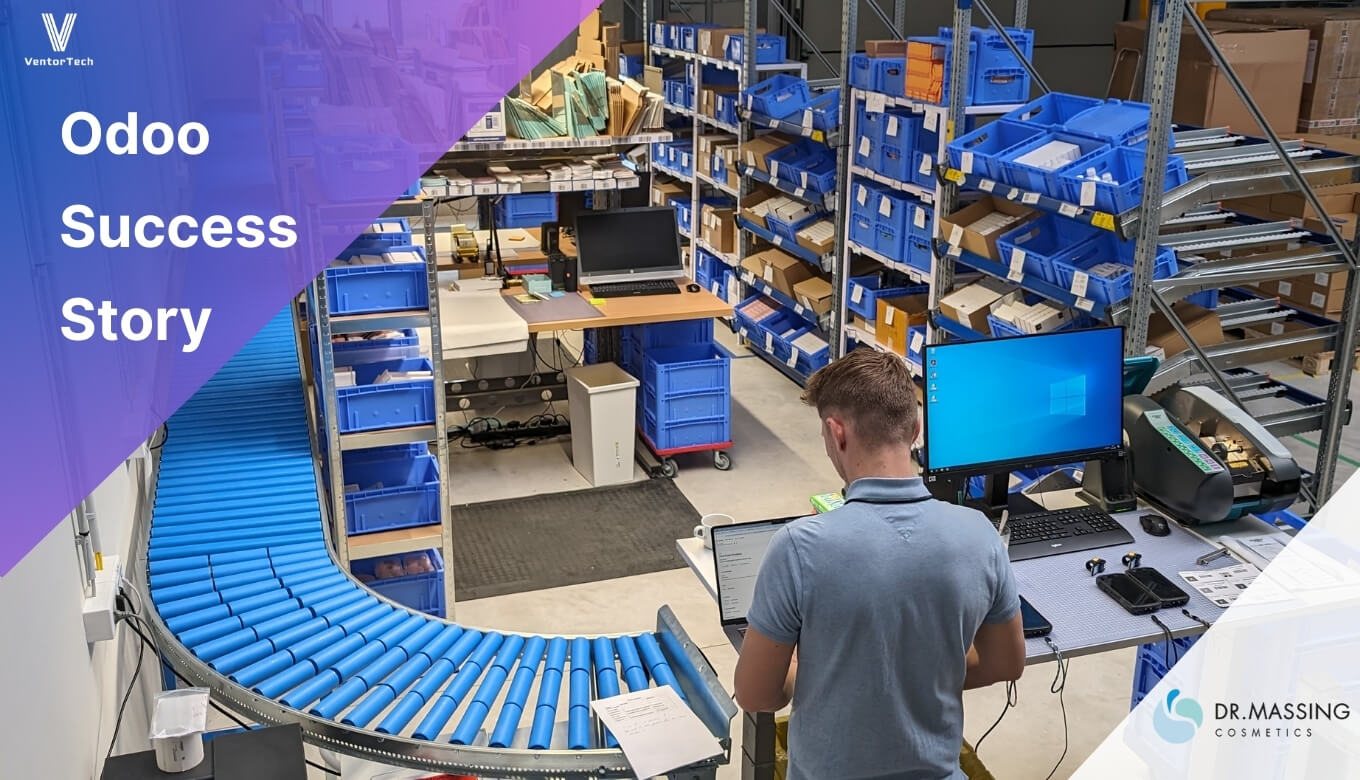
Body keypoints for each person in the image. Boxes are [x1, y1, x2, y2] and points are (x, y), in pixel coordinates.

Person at [733, 348, 1024, 780]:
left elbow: (756, 694)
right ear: (916, 429)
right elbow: (1006, 664)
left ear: (836, 433)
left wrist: (807, 673)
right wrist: (923, 670)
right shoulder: (980, 534)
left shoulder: (797, 548)